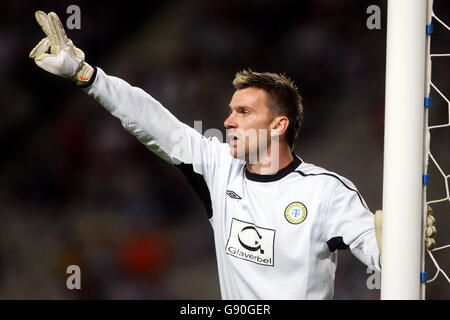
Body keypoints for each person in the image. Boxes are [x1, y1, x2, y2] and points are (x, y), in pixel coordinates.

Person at [30, 11, 383, 299]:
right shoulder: (218, 167)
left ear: (278, 126)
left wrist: (400, 241)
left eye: (244, 112)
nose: (228, 120)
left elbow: (377, 248)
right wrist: (86, 75)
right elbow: (153, 121)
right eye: (231, 110)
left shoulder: (326, 192)